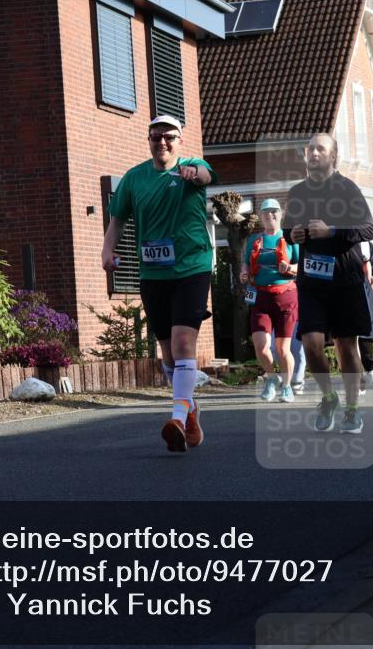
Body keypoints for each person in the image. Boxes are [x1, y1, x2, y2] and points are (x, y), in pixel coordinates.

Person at [102, 115, 216, 453]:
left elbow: (207, 176)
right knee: (167, 353)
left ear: (179, 140)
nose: (162, 142)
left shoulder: (192, 167)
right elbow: (118, 218)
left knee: (183, 343)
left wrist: (195, 175)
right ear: (149, 140)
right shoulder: (135, 178)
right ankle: (191, 409)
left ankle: (178, 417)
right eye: (156, 137)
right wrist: (108, 250)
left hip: (192, 266)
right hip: (153, 272)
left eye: (168, 136)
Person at [283, 134, 373, 434]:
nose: (313, 153)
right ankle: (328, 397)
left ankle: (351, 409)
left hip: (345, 280)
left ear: (333, 157)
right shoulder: (297, 192)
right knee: (311, 345)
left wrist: (332, 231)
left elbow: (368, 228)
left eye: (320, 149)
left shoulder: (346, 189)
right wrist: (292, 235)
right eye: (309, 149)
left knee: (346, 347)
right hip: (312, 281)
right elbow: (288, 228)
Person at [239, 199, 300, 403]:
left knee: (283, 348)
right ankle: (272, 378)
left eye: (274, 212)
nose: (270, 216)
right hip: (260, 296)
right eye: (265, 213)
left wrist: (289, 268)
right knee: (261, 346)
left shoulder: (291, 239)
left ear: (280, 214)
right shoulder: (254, 240)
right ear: (261, 216)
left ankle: (287, 386)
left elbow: (302, 266)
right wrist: (244, 273)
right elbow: (246, 263)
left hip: (286, 295)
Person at [358, 240, 373, 394]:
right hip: (342, 293)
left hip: (364, 293)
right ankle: (357, 381)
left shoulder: (365, 244)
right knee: (347, 341)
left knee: (364, 338)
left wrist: (372, 276)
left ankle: (370, 366)